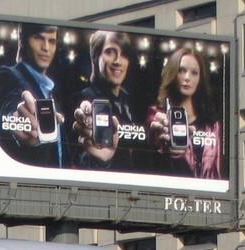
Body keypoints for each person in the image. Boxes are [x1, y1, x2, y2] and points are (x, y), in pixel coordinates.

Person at [0, 22, 67, 168]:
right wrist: (16, 119)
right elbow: (7, 109)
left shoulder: (52, 91)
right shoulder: (7, 75)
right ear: (23, 40)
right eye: (39, 38)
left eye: (51, 41)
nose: (46, 48)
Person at [145, 46, 222, 179]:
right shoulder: (157, 116)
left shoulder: (213, 126)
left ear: (200, 78)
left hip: (209, 196)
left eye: (194, 73)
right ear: (173, 73)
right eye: (181, 70)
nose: (187, 77)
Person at [71, 30, 135, 170]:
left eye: (123, 54)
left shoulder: (130, 101)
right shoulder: (83, 100)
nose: (118, 61)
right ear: (95, 56)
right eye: (110, 52)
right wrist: (101, 160)